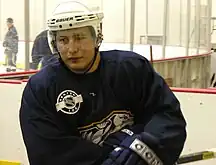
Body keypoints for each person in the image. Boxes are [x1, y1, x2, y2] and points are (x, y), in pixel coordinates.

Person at [19, 1, 187, 165]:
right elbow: (47, 152)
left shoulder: (132, 68)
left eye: (79, 37)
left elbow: (167, 115)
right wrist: (113, 156)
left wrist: (148, 144)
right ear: (54, 44)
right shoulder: (40, 89)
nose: (72, 49)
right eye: (63, 40)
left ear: (97, 37)